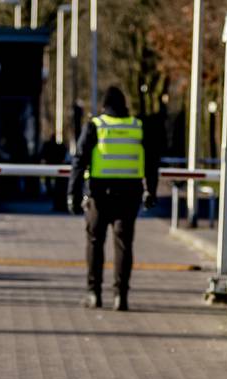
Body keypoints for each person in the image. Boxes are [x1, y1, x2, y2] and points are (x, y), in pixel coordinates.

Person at [67, 86, 158, 311]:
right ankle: (120, 296)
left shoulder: (96, 126)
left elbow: (79, 161)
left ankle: (94, 294)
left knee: (95, 243)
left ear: (104, 106)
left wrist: (72, 193)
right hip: (129, 194)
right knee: (124, 244)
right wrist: (151, 191)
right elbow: (151, 162)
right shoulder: (138, 126)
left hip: (100, 195)